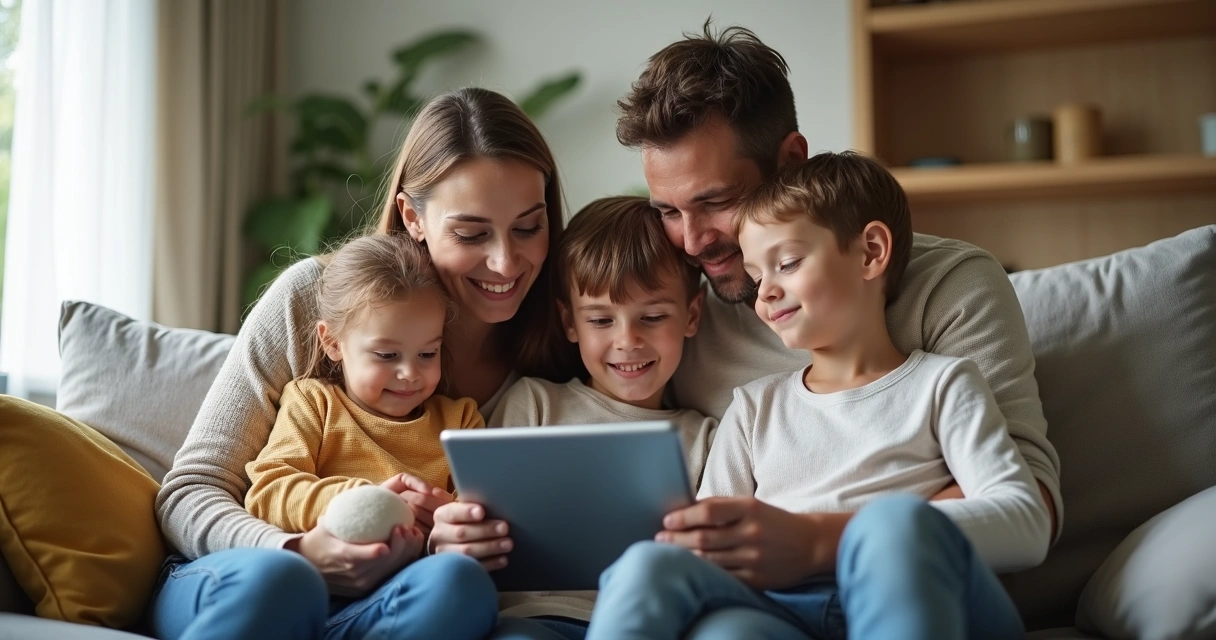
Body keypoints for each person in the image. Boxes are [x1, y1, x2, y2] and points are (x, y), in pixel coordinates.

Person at [152, 87, 574, 640]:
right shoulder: (316, 300)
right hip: (244, 572)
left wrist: (452, 531)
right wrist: (300, 551)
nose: (505, 261)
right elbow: (190, 491)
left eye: (528, 227)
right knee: (284, 584)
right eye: (471, 233)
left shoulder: (570, 337)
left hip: (376, 605)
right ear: (412, 217)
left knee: (456, 588)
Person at [586, 152, 1051, 640]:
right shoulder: (752, 409)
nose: (764, 294)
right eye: (757, 275)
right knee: (653, 570)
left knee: (892, 525)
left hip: (915, 589)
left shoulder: (944, 385)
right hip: (784, 610)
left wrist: (859, 533)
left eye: (786, 263)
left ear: (870, 252)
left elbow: (1025, 521)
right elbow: (708, 540)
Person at [488, 196, 717, 640]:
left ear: (692, 314)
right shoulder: (533, 404)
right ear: (569, 322)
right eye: (600, 320)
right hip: (529, 620)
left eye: (652, 317)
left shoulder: (704, 439)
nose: (627, 340)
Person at [241, 234, 490, 639]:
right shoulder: (314, 403)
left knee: (460, 583)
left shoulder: (459, 421)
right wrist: (364, 502)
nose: (410, 373)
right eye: (387, 356)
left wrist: (445, 515)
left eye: (427, 354)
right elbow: (269, 488)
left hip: (402, 597)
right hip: (318, 591)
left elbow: (477, 514)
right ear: (333, 342)